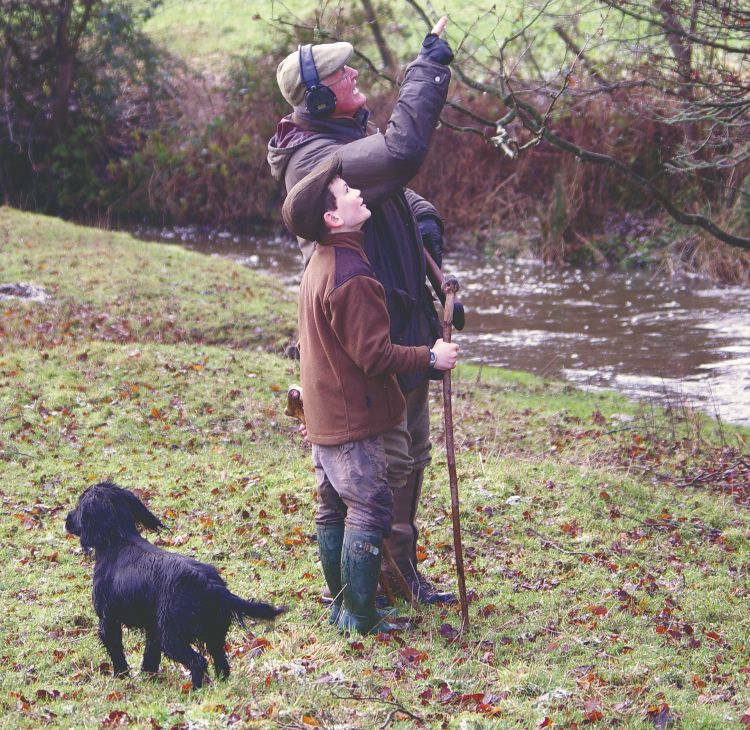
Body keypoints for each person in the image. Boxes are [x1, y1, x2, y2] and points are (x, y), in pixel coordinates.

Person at [268, 16, 457, 604]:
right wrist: (427, 69)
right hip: (367, 344)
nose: (354, 74)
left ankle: (400, 574)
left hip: (402, 323)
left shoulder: (345, 134)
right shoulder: (313, 161)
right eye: (340, 72)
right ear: (319, 95)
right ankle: (365, 593)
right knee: (377, 470)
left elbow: (392, 184)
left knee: (412, 455)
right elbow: (400, 154)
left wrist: (421, 215)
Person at [280, 153, 459, 634]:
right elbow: (375, 356)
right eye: (347, 191)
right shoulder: (352, 276)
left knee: (333, 505)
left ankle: (345, 608)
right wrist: (429, 357)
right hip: (353, 418)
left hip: (326, 413)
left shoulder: (323, 261)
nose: (360, 192)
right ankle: (360, 617)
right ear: (333, 217)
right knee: (368, 506)